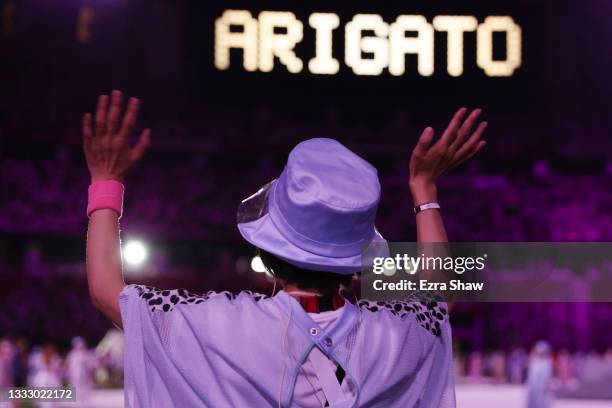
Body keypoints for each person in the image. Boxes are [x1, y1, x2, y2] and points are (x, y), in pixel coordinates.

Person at [83, 90, 487, 407]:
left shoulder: (221, 324)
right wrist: (425, 190)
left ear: (270, 254)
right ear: (356, 263)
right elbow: (441, 297)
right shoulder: (391, 337)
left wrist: (106, 179)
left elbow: (106, 291)